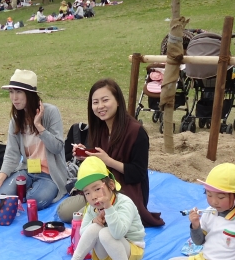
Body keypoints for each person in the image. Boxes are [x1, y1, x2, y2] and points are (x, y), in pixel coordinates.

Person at [57, 79, 164, 227]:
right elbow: (98, 165)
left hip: (126, 190)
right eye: (95, 102)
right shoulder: (98, 127)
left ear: (118, 101)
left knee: (89, 220)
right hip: (99, 185)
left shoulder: (136, 132)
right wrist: (86, 156)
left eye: (105, 100)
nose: (100, 106)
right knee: (64, 212)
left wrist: (108, 161)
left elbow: (138, 173)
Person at [57, 157, 146, 260]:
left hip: (130, 252)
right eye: (87, 192)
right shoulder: (92, 208)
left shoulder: (124, 203)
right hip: (106, 255)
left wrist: (109, 208)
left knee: (105, 232)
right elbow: (83, 233)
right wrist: (94, 221)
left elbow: (118, 233)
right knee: (94, 227)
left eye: (97, 189)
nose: (93, 196)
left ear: (111, 185)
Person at [0, 70, 67, 211]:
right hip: (27, 170)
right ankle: (22, 192)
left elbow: (57, 147)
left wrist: (39, 126)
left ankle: (26, 194)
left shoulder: (51, 112)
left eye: (18, 92)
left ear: (29, 94)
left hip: (50, 174)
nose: (14, 97)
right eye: (11, 92)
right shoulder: (16, 119)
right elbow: (11, 154)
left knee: (35, 201)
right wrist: (0, 179)